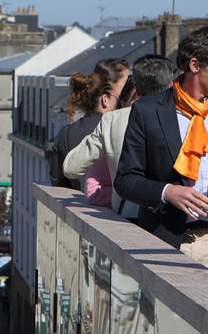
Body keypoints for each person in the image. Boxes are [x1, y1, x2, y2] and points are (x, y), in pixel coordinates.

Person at [114, 27, 208, 270]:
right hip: (166, 243)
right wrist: (167, 192)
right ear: (195, 65)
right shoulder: (148, 111)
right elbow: (125, 179)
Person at [63, 55, 177, 217]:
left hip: (127, 217)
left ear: (136, 89)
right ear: (172, 85)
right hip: (171, 217)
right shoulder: (184, 118)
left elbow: (71, 167)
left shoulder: (112, 120)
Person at [47, 58, 129, 195]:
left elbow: (57, 181)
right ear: (105, 99)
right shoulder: (115, 128)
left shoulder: (66, 133)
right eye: (117, 97)